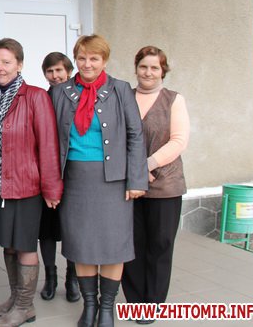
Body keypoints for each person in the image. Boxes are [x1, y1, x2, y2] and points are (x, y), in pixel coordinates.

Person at [51, 35, 147, 327]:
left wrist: (136, 179)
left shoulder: (120, 90)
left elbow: (135, 135)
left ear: (104, 60)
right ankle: (89, 305)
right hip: (75, 180)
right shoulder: (60, 92)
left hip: (114, 181)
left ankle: (107, 307)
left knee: (113, 245)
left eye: (94, 58)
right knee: (82, 244)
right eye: (82, 58)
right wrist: (51, 183)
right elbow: (49, 140)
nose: (87, 64)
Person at [0, 39, 63, 327]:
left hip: (26, 186)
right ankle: (15, 298)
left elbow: (48, 145)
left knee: (25, 245)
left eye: (7, 62)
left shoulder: (35, 96)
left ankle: (26, 306)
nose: (0, 67)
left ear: (20, 64)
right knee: (9, 245)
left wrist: (52, 188)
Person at [121, 46, 190, 325]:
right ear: (136, 68)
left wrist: (145, 166)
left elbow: (178, 141)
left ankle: (154, 304)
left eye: (154, 68)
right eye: (143, 66)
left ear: (163, 71)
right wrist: (134, 171)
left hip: (165, 186)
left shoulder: (174, 100)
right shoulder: (123, 97)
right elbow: (114, 137)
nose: (148, 72)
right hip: (129, 186)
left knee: (160, 245)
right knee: (132, 244)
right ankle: (135, 302)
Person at [38, 52, 80, 303]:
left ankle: (72, 277)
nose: (55, 76)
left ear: (69, 71)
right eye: (50, 71)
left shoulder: (79, 98)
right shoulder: (42, 98)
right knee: (47, 229)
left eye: (59, 71)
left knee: (72, 228)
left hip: (72, 172)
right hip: (47, 172)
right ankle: (50, 276)